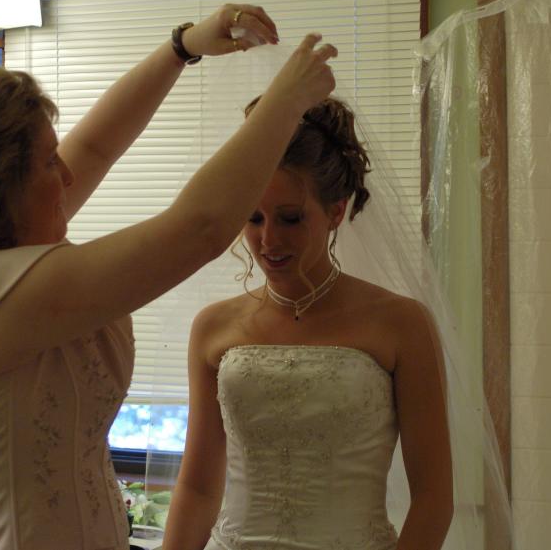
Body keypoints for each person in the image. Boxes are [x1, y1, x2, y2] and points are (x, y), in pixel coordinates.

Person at [0, 4, 338, 550]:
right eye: (50, 162)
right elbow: (201, 228)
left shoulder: (1, 254)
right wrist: (287, 101)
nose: (69, 172)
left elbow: (97, 145)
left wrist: (183, 46)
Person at [161, 96, 454, 550]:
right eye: (253, 218)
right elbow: (198, 489)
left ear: (336, 210)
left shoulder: (400, 323)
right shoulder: (213, 327)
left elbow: (434, 500)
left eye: (291, 218)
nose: (268, 240)